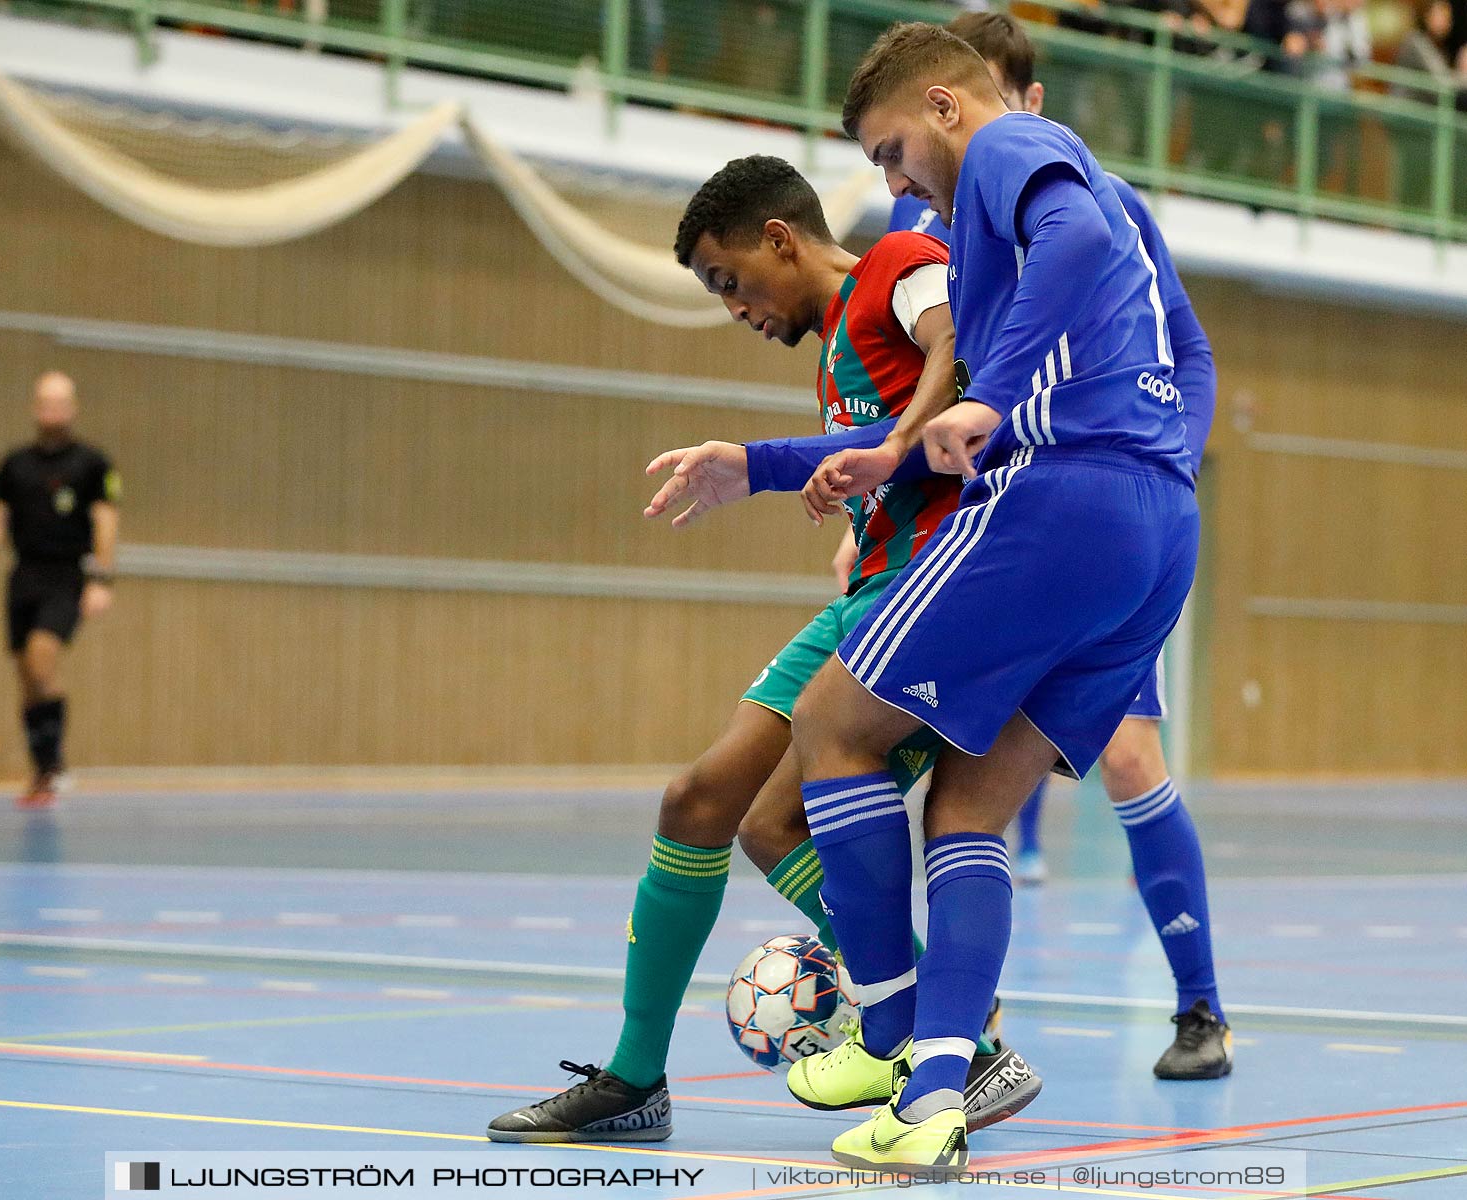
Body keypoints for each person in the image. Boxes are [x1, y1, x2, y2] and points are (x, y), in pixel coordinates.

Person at [485, 156, 1040, 1145]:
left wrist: (798, 464)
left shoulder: (903, 262)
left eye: (727, 279)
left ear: (781, 238)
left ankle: (942, 1040)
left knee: (773, 806)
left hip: (936, 597)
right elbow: (889, 445)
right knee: (723, 811)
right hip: (871, 591)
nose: (731, 305)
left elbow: (958, 342)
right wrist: (813, 481)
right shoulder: (833, 353)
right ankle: (639, 1079)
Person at [780, 23, 1204, 1171]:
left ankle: (885, 1028)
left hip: (1060, 504)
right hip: (1161, 528)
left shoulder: (1012, 146)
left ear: (946, 106)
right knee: (969, 811)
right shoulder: (1125, 201)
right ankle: (932, 1104)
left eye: (889, 151)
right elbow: (1194, 352)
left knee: (830, 724)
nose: (894, 180)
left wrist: (1003, 394)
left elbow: (1055, 242)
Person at [881, 10, 1229, 1071]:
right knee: (951, 772)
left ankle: (1197, 1005)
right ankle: (953, 1037)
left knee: (1123, 756)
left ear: (1013, 104)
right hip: (1018, 515)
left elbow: (1191, 347)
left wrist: (1168, 449)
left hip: (1088, 512)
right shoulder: (933, 231)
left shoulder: (1056, 184)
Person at [0, 372, 120, 808]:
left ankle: (54, 763)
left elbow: (106, 519)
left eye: (61, 403)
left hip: (66, 575)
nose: (53, 411)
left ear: (73, 408)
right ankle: (44, 768)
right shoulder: (14, 465)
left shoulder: (92, 463)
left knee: (44, 657)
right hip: (23, 575)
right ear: (35, 408)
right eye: (45, 403)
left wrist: (101, 576)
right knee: (27, 675)